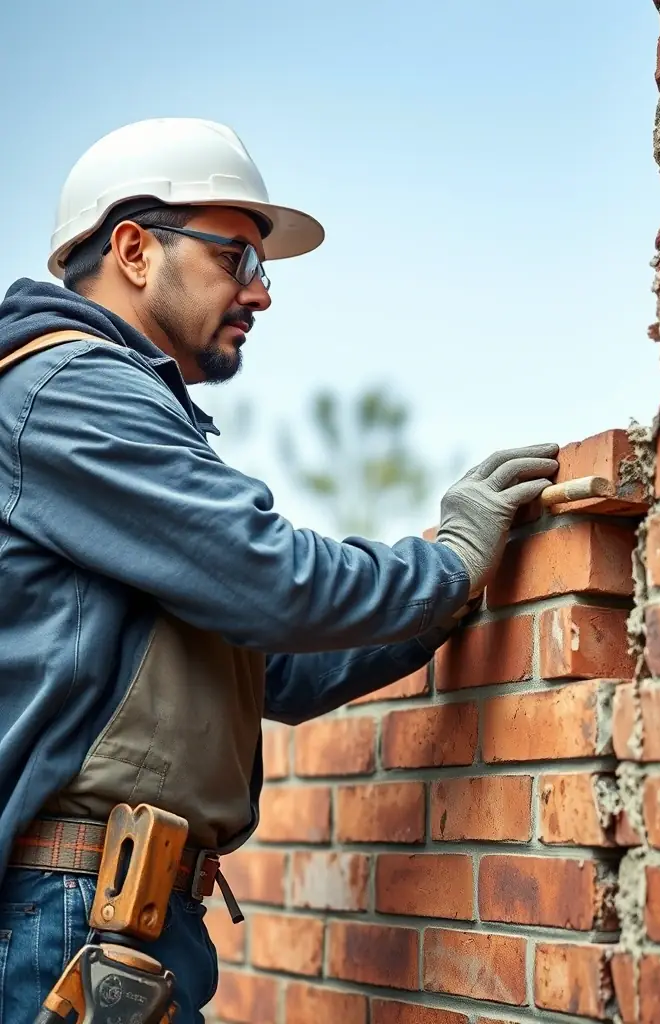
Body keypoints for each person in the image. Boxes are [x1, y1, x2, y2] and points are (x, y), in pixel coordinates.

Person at [0, 117, 558, 1022]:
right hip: (70, 914)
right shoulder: (69, 390)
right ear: (135, 250)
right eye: (237, 258)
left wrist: (451, 594)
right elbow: (272, 581)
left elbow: (283, 667)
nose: (260, 293)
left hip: (116, 915)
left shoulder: (126, 405)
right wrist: (444, 564)